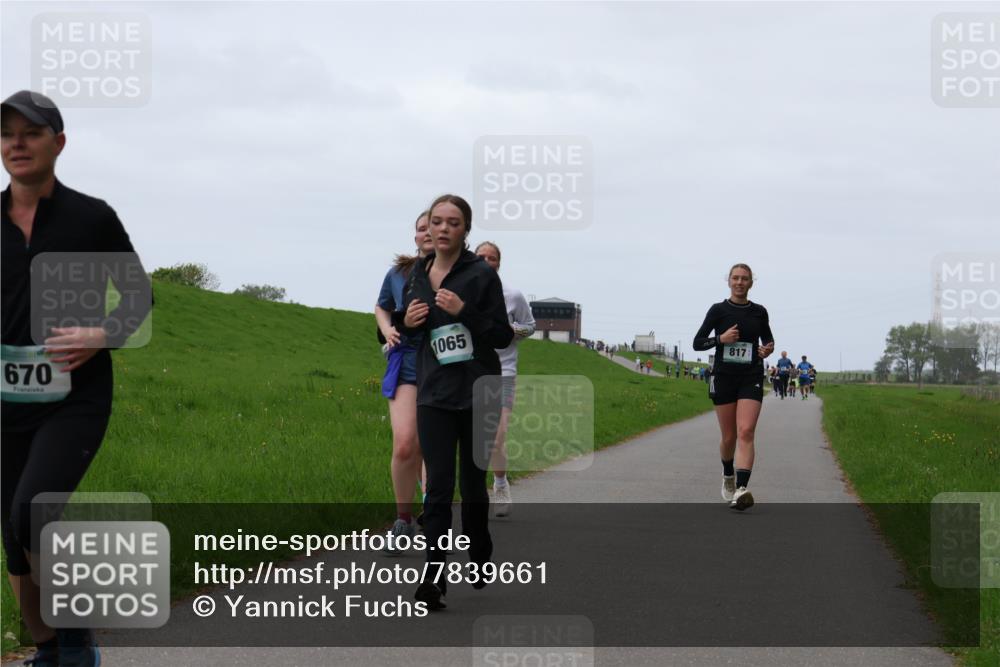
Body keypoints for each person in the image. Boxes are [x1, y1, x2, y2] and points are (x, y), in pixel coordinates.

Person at [2, 90, 152, 667]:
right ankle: (46, 648)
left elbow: (138, 297)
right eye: (7, 133)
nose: (16, 142)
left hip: (73, 396)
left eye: (31, 132)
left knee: (31, 513)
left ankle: (76, 639)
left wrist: (101, 334)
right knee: (12, 535)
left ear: (58, 143)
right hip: (5, 398)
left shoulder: (91, 217)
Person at [394, 194, 513, 610]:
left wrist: (465, 312)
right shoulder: (417, 275)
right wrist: (403, 325)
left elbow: (501, 335)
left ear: (466, 230)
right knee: (439, 489)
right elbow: (399, 331)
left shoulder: (480, 275)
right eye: (437, 222)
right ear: (428, 228)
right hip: (435, 393)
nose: (444, 229)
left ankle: (479, 544)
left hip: (480, 390)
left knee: (472, 487)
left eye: (454, 223)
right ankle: (433, 577)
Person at [693, 263, 774, 510]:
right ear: (729, 281)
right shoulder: (718, 310)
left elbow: (768, 340)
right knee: (729, 436)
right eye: (736, 278)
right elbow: (697, 343)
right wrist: (721, 339)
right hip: (724, 376)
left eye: (745, 279)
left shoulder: (759, 312)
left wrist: (766, 348)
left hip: (750, 375)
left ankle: (741, 489)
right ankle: (728, 473)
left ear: (751, 283)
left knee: (746, 430)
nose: (740, 282)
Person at [375, 211, 433, 554]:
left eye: (438, 226)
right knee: (406, 444)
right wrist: (387, 328)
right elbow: (381, 307)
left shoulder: (461, 272)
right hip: (408, 364)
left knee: (433, 449)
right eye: (422, 228)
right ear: (415, 237)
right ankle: (403, 520)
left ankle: (435, 518)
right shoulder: (399, 273)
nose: (429, 232)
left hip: (446, 367)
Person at [474, 242, 535, 518]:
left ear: (500, 263)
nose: (487, 261)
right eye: (481, 257)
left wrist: (513, 330)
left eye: (492, 258)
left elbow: (530, 325)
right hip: (469, 373)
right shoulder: (464, 291)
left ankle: (500, 483)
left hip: (503, 372)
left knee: (496, 436)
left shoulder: (513, 295)